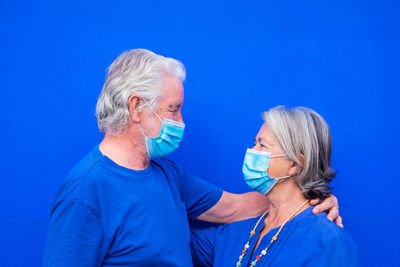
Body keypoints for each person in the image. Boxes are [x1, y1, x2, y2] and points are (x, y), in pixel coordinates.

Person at [43, 49, 341, 266]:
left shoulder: (168, 175)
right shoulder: (84, 193)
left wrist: (308, 201)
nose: (181, 121)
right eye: (174, 108)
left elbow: (235, 208)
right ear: (136, 108)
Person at [191, 106, 360, 267]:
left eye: (262, 145)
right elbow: (172, 238)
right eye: (255, 143)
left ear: (295, 164)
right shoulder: (234, 233)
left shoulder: (328, 241)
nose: (252, 151)